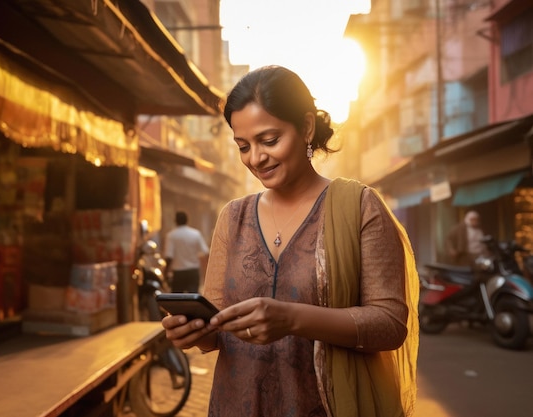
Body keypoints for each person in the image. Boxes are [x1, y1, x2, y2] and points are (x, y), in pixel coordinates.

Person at [160, 66, 419, 417]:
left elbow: (389, 324)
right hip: (237, 403)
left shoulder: (358, 207)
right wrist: (192, 333)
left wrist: (292, 318)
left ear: (306, 127)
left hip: (326, 406)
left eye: (269, 140)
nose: (256, 158)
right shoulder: (233, 217)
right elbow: (217, 331)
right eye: (243, 146)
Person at [164, 211, 209, 293]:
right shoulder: (196, 234)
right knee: (193, 299)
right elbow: (206, 252)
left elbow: (169, 257)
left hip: (178, 273)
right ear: (187, 220)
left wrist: (165, 272)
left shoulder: (171, 236)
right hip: (193, 272)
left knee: (178, 300)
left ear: (175, 221)